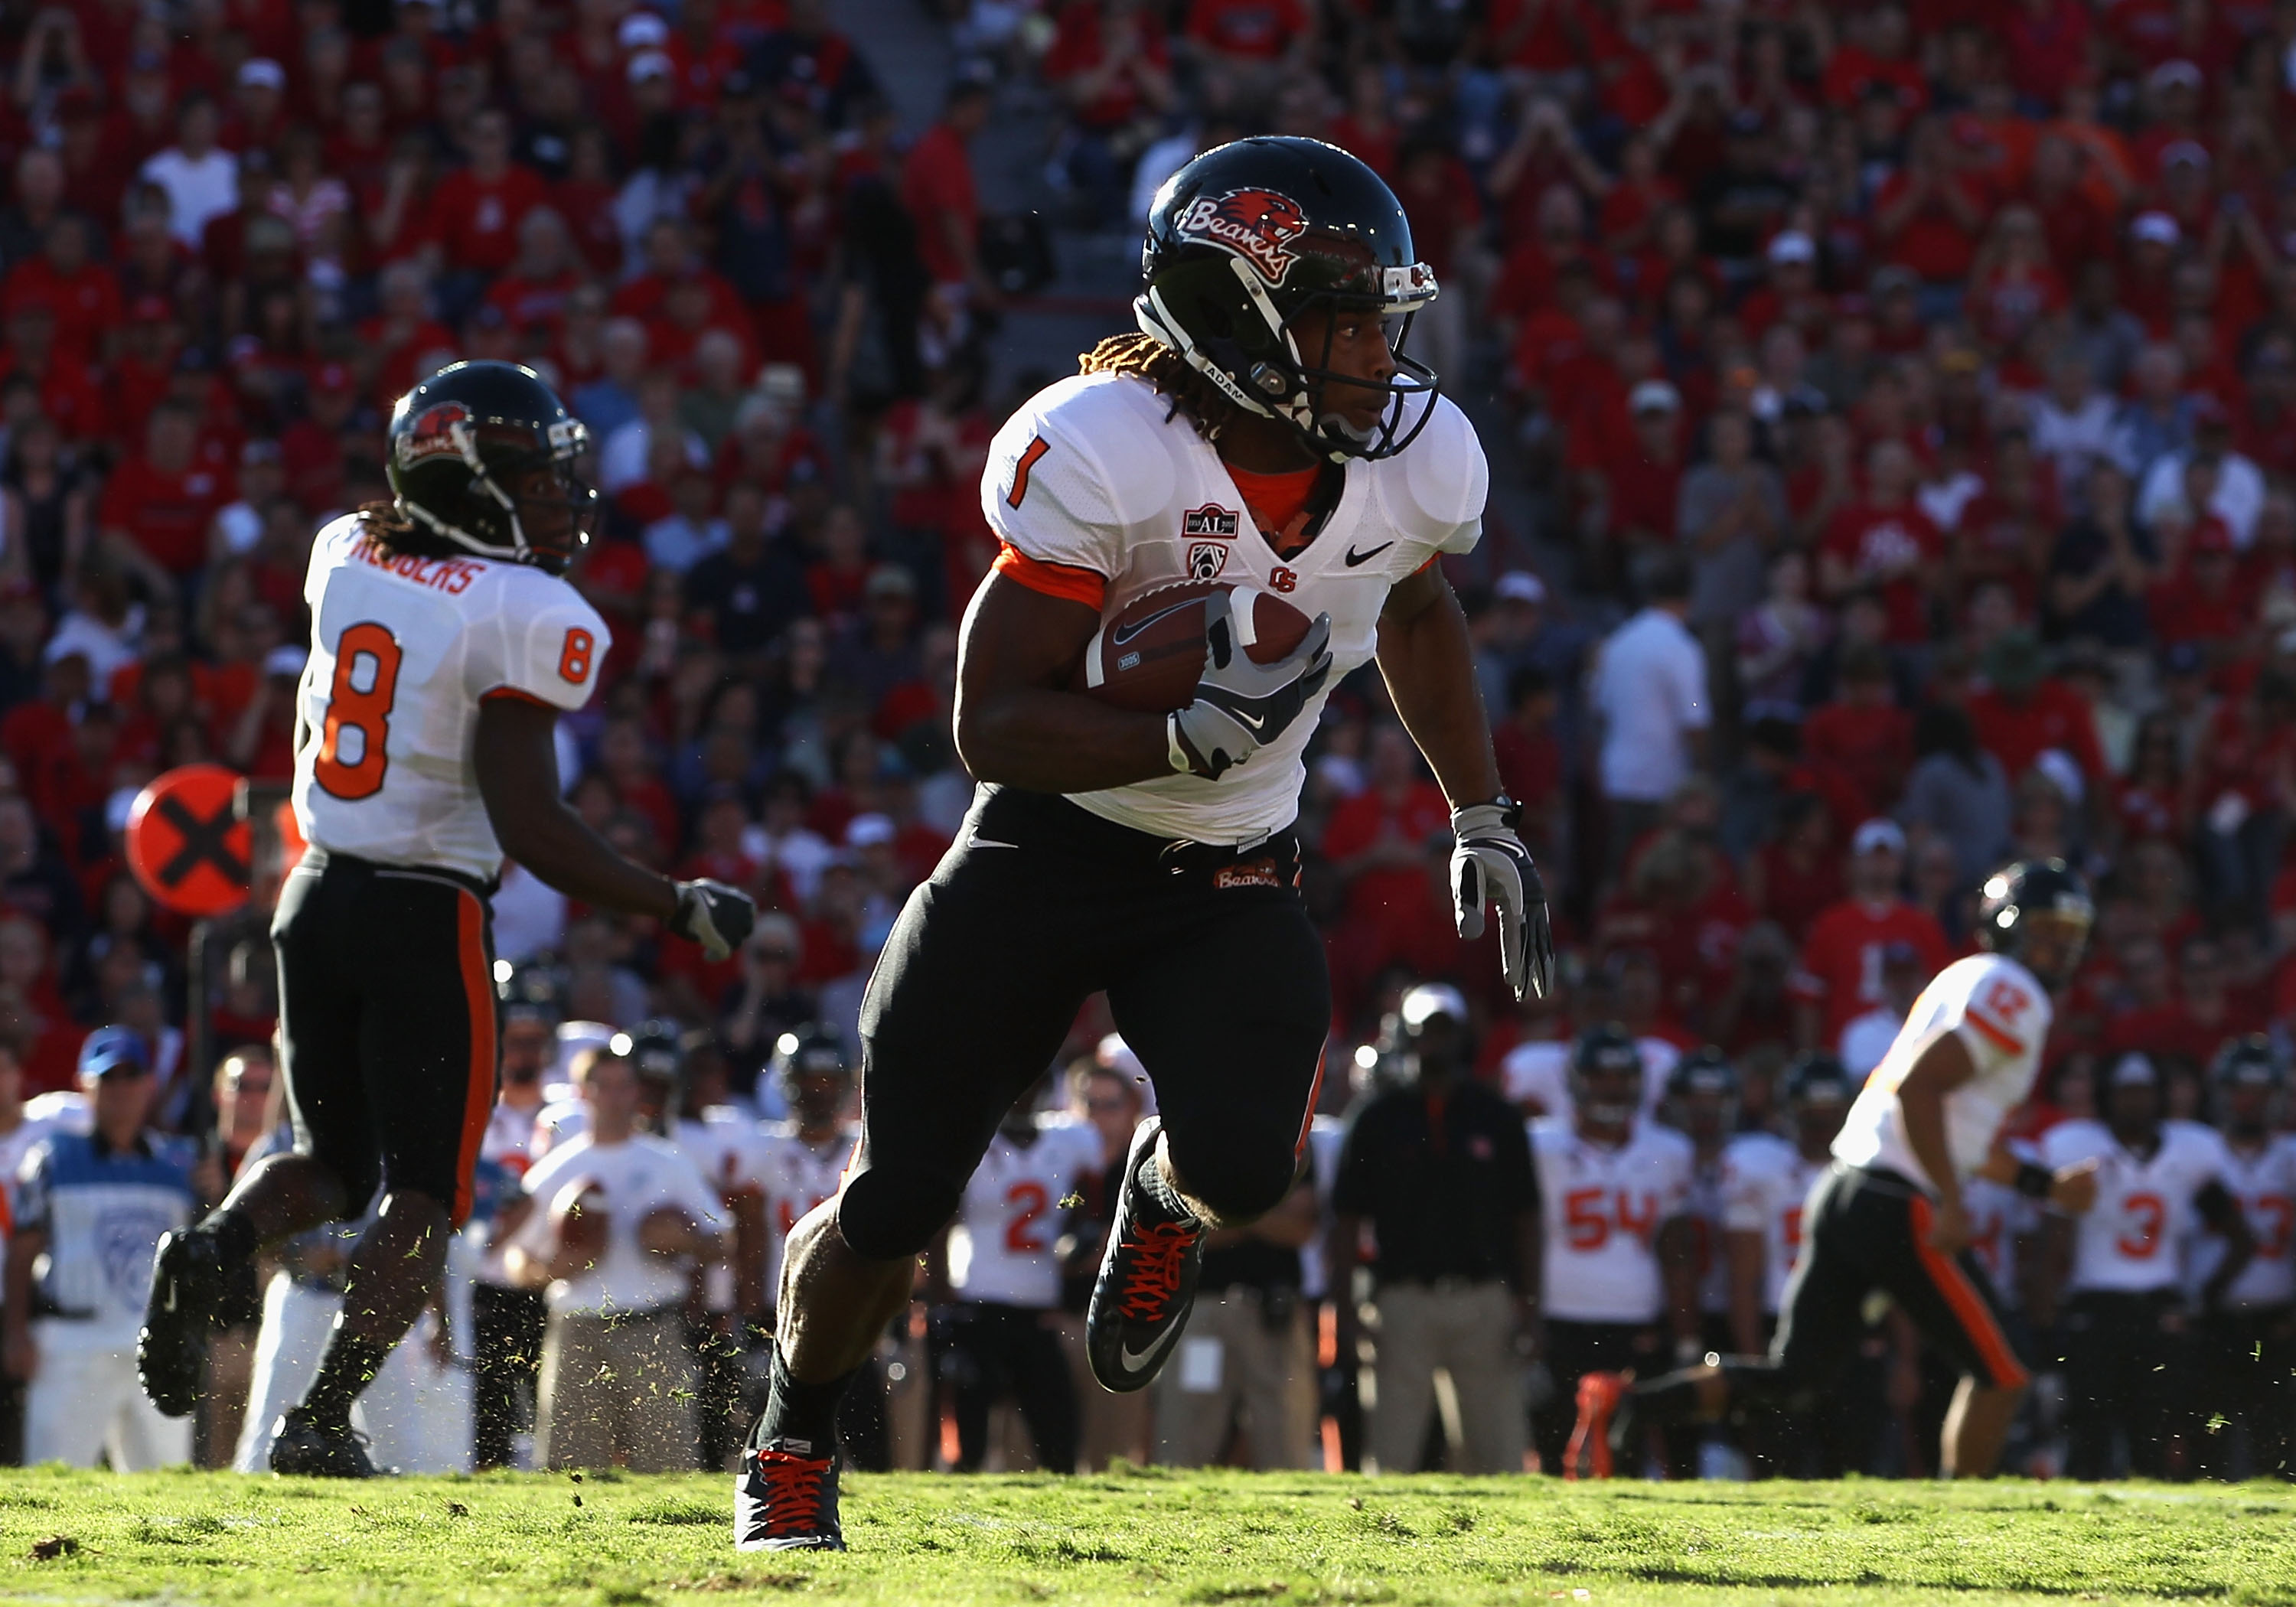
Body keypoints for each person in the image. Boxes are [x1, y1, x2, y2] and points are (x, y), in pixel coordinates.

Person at [736, 139, 1554, 1551]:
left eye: (1379, 317)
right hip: (1047, 850)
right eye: (1340, 320)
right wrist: (1176, 740)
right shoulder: (1110, 448)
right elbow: (990, 723)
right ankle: (792, 1440)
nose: (1376, 354)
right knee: (901, 1201)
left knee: (1247, 1167)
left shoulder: (1414, 463)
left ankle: (1161, 1196)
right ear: (1237, 321)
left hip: (1228, 867)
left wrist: (1477, 808)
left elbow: (1412, 607)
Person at [135, 360, 758, 1477]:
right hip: (424, 910)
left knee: (326, 1160)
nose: (561, 496)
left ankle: (215, 1243)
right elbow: (533, 825)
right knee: (426, 1192)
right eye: (532, 473)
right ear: (468, 482)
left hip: (314, 889)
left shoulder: (342, 551)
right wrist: (675, 902)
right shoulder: (527, 609)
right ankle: (322, 1420)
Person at [1578, 861, 2101, 1479]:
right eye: (2046, 929)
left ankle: (1627, 1404)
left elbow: (1963, 1132)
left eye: (2070, 934)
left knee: (1795, 1377)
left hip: (1849, 1187)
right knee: (2004, 1370)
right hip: (1895, 1199)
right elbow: (1921, 1091)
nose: (2059, 946)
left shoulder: (1972, 978)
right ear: (2008, 926)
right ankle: (1966, 1525)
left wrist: (2043, 1186)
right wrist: (1954, 1204)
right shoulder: (2013, 991)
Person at [1329, 984, 1538, 1475]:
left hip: (1483, 1298)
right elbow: (1345, 1220)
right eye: (1425, 1032)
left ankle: (1505, 1545)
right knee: (1393, 1452)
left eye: (1445, 1032)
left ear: (1463, 1037)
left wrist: (1531, 1301)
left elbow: (1526, 1216)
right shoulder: (1377, 1119)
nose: (1435, 1044)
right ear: (1406, 1036)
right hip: (1402, 1300)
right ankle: (1386, 1543)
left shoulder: (1497, 1116)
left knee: (1498, 1453)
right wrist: (1343, 1306)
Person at [503, 1042, 728, 1472]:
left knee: (670, 1464)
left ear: (636, 1092)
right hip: (578, 1325)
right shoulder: (556, 1169)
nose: (614, 1096)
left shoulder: (667, 1162)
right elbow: (513, 1260)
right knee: (571, 1469)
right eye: (602, 1085)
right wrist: (558, 1268)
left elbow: (723, 1241)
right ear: (583, 1092)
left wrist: (683, 1241)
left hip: (654, 1323)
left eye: (624, 1085)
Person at [2037, 1051, 2252, 1481]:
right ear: (2105, 1097)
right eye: (2125, 1093)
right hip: (2095, 1302)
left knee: (2158, 1428)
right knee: (2089, 1428)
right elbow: (2052, 1240)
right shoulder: (2076, 1148)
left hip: (2160, 1303)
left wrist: (2204, 1298)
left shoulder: (2191, 1151)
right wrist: (2044, 1313)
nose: (2136, 1103)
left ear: (2161, 1097)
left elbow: (2240, 1237)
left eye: (2144, 1092)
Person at [3, 1028, 196, 1469]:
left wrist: (212, 1192)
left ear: (150, 1084)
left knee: (166, 1483)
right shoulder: (52, 1159)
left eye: (132, 1076)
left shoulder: (179, 1163)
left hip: (153, 1340)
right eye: (109, 1079)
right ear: (84, 1085)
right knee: (53, 1476)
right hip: (73, 1337)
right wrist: (17, 1332)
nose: (121, 1090)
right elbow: (23, 1250)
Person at [1535, 1025, 1699, 1478]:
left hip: (1636, 1318)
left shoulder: (1665, 1150)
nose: (1613, 1087)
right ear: (1575, 1081)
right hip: (1561, 1316)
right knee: (1555, 1442)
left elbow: (1676, 1248)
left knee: (1626, 1446)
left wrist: (1686, 1337)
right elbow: (1521, 1238)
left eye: (1624, 1076)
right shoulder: (1540, 1145)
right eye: (1600, 1075)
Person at [928, 1086, 1101, 1472]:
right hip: (977, 1308)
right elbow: (939, 1229)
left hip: (1039, 1312)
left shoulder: (1070, 1140)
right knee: (967, 1446)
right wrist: (941, 1305)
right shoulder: (971, 1140)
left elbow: (1083, 1207)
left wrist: (1077, 1234)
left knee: (1059, 1440)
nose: (1022, 1093)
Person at [1720, 1053, 1858, 1475]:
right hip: (1781, 1323)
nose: (1820, 1125)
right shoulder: (1760, 1166)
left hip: (1851, 1328)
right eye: (1809, 1114)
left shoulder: (1865, 1173)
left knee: (1850, 1462)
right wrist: (1750, 1355)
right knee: (1777, 1459)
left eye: (1830, 1113)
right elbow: (1744, 1277)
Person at [2193, 1037, 2296, 1480]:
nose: (2249, 1103)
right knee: (2206, 1433)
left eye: (2260, 1092)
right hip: (2210, 1314)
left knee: (2277, 1434)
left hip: (2280, 1317)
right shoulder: (2198, 1152)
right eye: (2240, 1090)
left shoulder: (2291, 1156)